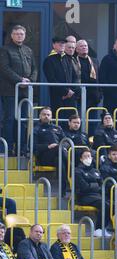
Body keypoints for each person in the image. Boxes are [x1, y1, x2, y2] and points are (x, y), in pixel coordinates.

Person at [0, 25, 37, 155]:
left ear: (25, 35)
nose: (19, 36)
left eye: (21, 34)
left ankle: (21, 148)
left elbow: (34, 69)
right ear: (11, 35)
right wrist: (19, 80)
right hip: (9, 91)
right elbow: (4, 69)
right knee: (9, 119)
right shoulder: (5, 50)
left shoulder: (28, 50)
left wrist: (30, 81)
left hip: (25, 92)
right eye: (16, 34)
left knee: (23, 121)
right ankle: (7, 148)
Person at [75, 148, 111, 237]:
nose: (88, 158)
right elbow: (84, 187)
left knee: (111, 204)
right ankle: (98, 229)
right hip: (84, 197)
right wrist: (95, 185)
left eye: (89, 156)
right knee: (104, 205)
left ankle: (104, 228)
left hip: (97, 196)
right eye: (85, 156)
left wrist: (92, 185)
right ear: (80, 159)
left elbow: (102, 186)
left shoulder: (96, 171)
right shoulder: (77, 171)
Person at [33, 107, 68, 193]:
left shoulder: (57, 128)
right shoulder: (36, 129)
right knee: (59, 149)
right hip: (44, 157)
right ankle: (72, 166)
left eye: (48, 115)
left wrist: (62, 146)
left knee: (59, 162)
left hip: (58, 154)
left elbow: (66, 142)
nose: (46, 116)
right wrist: (48, 146)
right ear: (40, 116)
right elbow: (33, 146)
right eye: (44, 114)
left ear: (51, 116)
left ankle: (63, 190)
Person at [43, 37, 78, 117]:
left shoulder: (67, 59)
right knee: (59, 120)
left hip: (71, 96)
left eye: (63, 43)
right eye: (60, 43)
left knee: (71, 121)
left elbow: (74, 77)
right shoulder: (49, 60)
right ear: (54, 45)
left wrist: (71, 90)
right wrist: (65, 92)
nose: (62, 45)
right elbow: (51, 79)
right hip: (58, 96)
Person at [75, 40, 101, 112]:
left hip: (94, 97)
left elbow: (99, 77)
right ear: (76, 49)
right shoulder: (74, 61)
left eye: (85, 46)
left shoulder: (95, 61)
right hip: (79, 96)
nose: (84, 47)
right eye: (81, 46)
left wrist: (100, 94)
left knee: (93, 121)